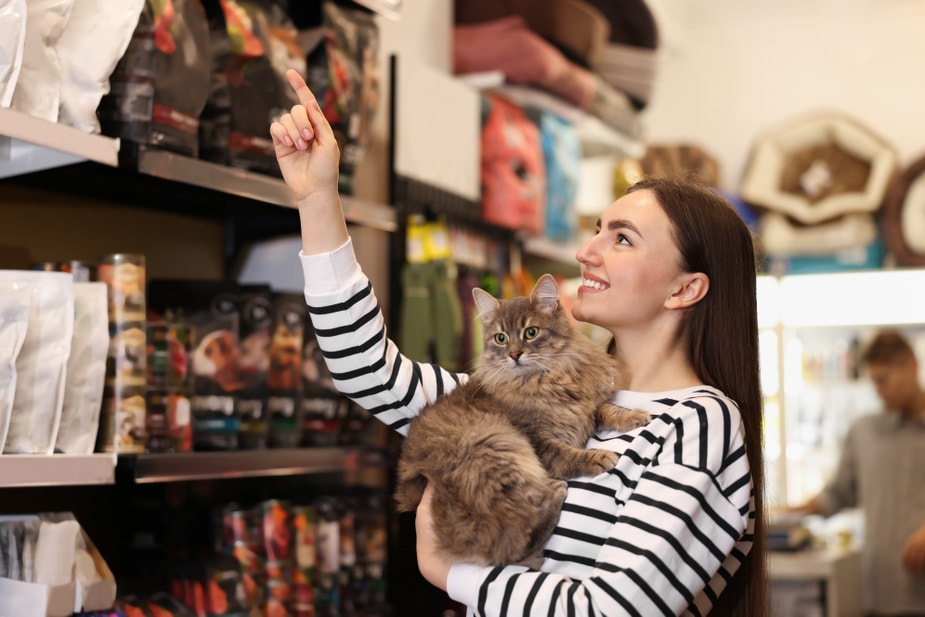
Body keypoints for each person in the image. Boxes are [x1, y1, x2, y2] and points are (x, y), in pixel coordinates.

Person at [270, 69, 768, 616]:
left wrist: (454, 575)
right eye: (598, 228)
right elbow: (367, 371)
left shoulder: (697, 425)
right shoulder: (528, 387)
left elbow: (617, 610)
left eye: (621, 238)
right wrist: (318, 197)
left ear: (685, 288)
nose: (587, 250)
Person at [789, 330, 925, 616]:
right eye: (873, 382)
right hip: (880, 598)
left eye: (883, 380)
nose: (878, 391)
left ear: (911, 366)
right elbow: (839, 493)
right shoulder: (864, 432)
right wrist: (793, 512)